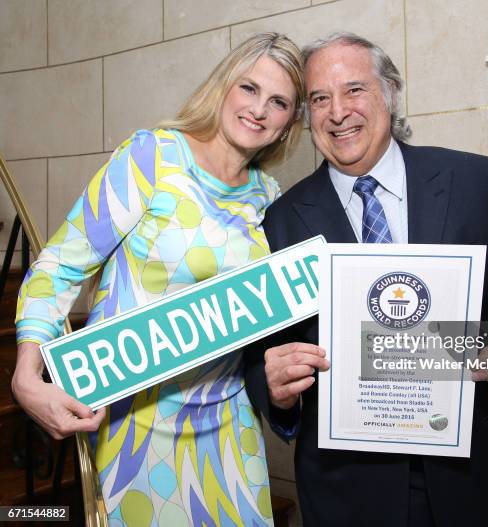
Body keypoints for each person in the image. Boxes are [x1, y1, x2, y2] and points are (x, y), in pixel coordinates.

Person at [244, 32, 488, 527]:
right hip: (345, 495)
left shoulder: (474, 183)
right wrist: (275, 388)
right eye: (319, 98)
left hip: (468, 483)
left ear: (391, 93)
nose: (338, 111)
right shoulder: (280, 221)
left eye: (355, 89)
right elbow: (259, 356)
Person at [12, 32, 305, 526]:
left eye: (278, 102)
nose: (259, 109)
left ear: (287, 126)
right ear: (223, 87)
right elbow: (58, 265)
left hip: (231, 423)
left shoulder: (268, 195)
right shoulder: (153, 157)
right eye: (249, 88)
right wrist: (26, 372)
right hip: (137, 427)